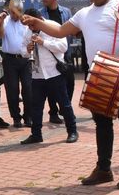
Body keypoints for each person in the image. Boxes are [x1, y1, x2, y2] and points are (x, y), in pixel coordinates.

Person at [23, 0, 119, 189]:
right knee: (102, 122)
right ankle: (103, 169)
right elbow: (60, 31)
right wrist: (38, 23)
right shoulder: (84, 13)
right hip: (98, 73)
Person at [21, 9, 78, 144]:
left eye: (32, 24)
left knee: (64, 105)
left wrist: (43, 42)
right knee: (36, 107)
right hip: (37, 74)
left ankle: (72, 131)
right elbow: (22, 50)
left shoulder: (53, 26)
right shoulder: (27, 31)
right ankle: (36, 134)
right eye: (29, 25)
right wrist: (27, 50)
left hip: (54, 73)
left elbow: (63, 47)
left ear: (39, 19)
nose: (31, 28)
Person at [0, 0, 32, 128]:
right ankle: (16, 117)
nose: (15, 15)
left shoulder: (26, 21)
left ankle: (28, 116)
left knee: (28, 88)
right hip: (9, 59)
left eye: (17, 12)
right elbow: (0, 35)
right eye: (13, 12)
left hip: (25, 59)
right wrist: (2, 21)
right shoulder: (6, 21)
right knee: (12, 89)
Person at [39, 0, 74, 123]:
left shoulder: (66, 12)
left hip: (65, 52)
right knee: (52, 85)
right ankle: (53, 112)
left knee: (69, 83)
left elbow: (70, 29)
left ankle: (65, 109)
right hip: (49, 53)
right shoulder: (40, 14)